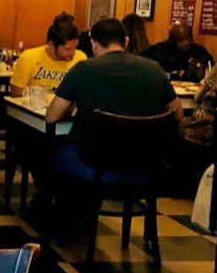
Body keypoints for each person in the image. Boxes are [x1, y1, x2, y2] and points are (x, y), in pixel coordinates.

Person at [47, 17, 183, 180]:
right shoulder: (155, 69)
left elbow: (51, 117)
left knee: (56, 152)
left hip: (94, 164)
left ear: (94, 43)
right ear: (125, 41)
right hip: (144, 166)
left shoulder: (83, 70)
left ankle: (73, 204)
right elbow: (178, 114)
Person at [9, 12, 88, 96]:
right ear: (52, 45)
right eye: (67, 49)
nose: (73, 53)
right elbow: (15, 94)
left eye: (75, 47)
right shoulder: (29, 57)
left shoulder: (81, 58)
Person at [141, 21, 215, 82]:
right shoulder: (155, 52)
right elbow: (145, 73)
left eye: (189, 38)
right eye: (182, 39)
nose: (187, 43)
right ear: (171, 39)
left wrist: (202, 71)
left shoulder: (200, 52)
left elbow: (212, 71)